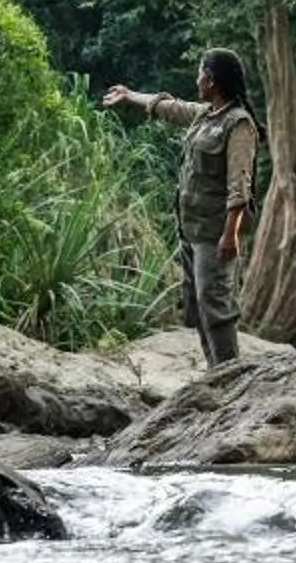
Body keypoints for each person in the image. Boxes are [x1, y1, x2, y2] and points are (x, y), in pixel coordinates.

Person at [102, 51, 260, 368]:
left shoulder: (238, 124)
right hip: (191, 229)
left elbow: (239, 185)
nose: (196, 80)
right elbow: (168, 107)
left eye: (200, 74)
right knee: (198, 305)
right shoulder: (206, 115)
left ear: (212, 81)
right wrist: (129, 95)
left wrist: (230, 235)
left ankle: (229, 375)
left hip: (215, 233)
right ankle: (215, 371)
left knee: (215, 305)